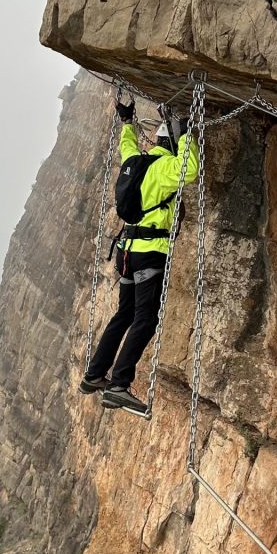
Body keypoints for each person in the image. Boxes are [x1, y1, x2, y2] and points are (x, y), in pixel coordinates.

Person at [80, 96, 199, 413]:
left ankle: (94, 375)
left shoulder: (134, 161)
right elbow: (190, 169)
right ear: (172, 145)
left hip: (126, 252)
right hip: (149, 254)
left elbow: (127, 145)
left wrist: (127, 120)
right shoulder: (164, 169)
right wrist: (187, 133)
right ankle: (118, 384)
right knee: (145, 320)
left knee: (124, 315)